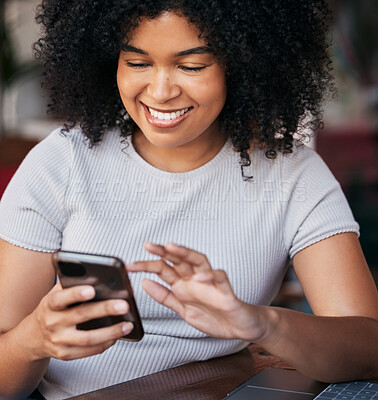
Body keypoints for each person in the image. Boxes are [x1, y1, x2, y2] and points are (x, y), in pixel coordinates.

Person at [0, 0, 377, 399]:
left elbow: (368, 348)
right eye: (137, 63)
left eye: (191, 66)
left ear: (242, 63)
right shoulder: (62, 161)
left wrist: (261, 324)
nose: (160, 92)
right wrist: (34, 340)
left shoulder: (291, 173)